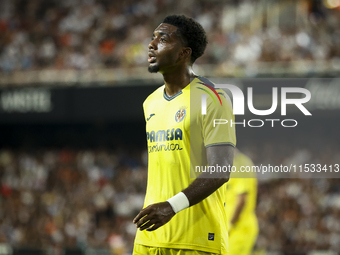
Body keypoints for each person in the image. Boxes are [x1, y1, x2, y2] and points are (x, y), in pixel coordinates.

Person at [132, 15, 236, 255]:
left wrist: (171, 206)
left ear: (183, 53)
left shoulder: (213, 99)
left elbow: (221, 170)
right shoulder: (151, 102)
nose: (152, 44)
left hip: (196, 241)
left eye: (163, 39)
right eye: (153, 37)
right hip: (149, 239)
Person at [225, 149, 258, 255]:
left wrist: (230, 225)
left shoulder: (241, 164)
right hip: (228, 228)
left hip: (239, 228)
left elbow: (242, 200)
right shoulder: (227, 164)